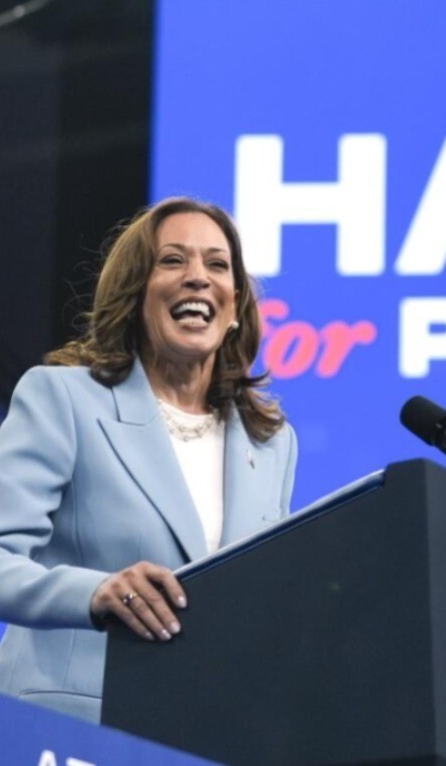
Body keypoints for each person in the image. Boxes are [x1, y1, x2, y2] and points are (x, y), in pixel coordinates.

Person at [0, 197, 297, 724]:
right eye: (173, 260)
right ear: (136, 293)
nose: (198, 278)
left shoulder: (270, 443)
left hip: (206, 737)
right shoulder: (63, 401)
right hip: (70, 730)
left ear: (234, 309)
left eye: (217, 264)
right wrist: (93, 592)